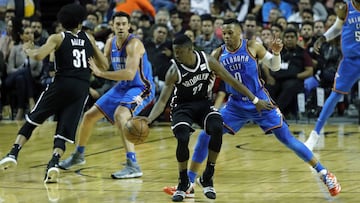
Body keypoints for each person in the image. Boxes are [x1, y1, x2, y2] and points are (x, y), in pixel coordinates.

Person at [163, 18, 341, 198]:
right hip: (236, 105)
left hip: (261, 103)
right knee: (205, 136)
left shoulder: (253, 46)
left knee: (288, 139)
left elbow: (274, 66)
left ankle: (325, 174)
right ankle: (190, 183)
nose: (226, 36)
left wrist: (277, 53)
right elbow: (207, 76)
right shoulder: (218, 53)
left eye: (230, 33)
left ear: (240, 32)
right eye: (224, 33)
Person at [145, 34, 273, 202]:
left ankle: (207, 177)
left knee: (217, 127)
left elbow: (233, 82)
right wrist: (148, 120)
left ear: (190, 50)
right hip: (182, 108)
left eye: (179, 52)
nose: (176, 55)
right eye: (175, 52)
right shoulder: (174, 70)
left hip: (203, 105)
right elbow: (162, 101)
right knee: (182, 136)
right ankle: (183, 182)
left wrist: (255, 100)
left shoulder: (208, 61)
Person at [0, 3, 108, 183]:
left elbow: (38, 56)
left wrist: (28, 48)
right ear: (80, 22)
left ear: (61, 22)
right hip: (81, 88)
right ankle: (54, 163)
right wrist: (93, 68)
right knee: (64, 129)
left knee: (34, 118)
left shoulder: (57, 38)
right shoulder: (88, 38)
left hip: (62, 83)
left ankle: (13, 153)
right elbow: (104, 65)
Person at [58, 11, 155, 179]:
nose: (121, 27)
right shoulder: (110, 42)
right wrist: (91, 47)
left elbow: (129, 74)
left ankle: (133, 164)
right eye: (117, 24)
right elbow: (101, 65)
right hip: (123, 87)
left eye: (124, 23)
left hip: (141, 87)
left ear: (129, 26)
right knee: (89, 116)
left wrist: (100, 74)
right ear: (112, 26)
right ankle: (79, 155)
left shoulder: (134, 44)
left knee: (120, 115)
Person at [305, 1, 360, 150]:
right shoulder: (345, 7)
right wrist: (323, 38)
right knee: (335, 94)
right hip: (351, 61)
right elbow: (337, 28)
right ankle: (315, 134)